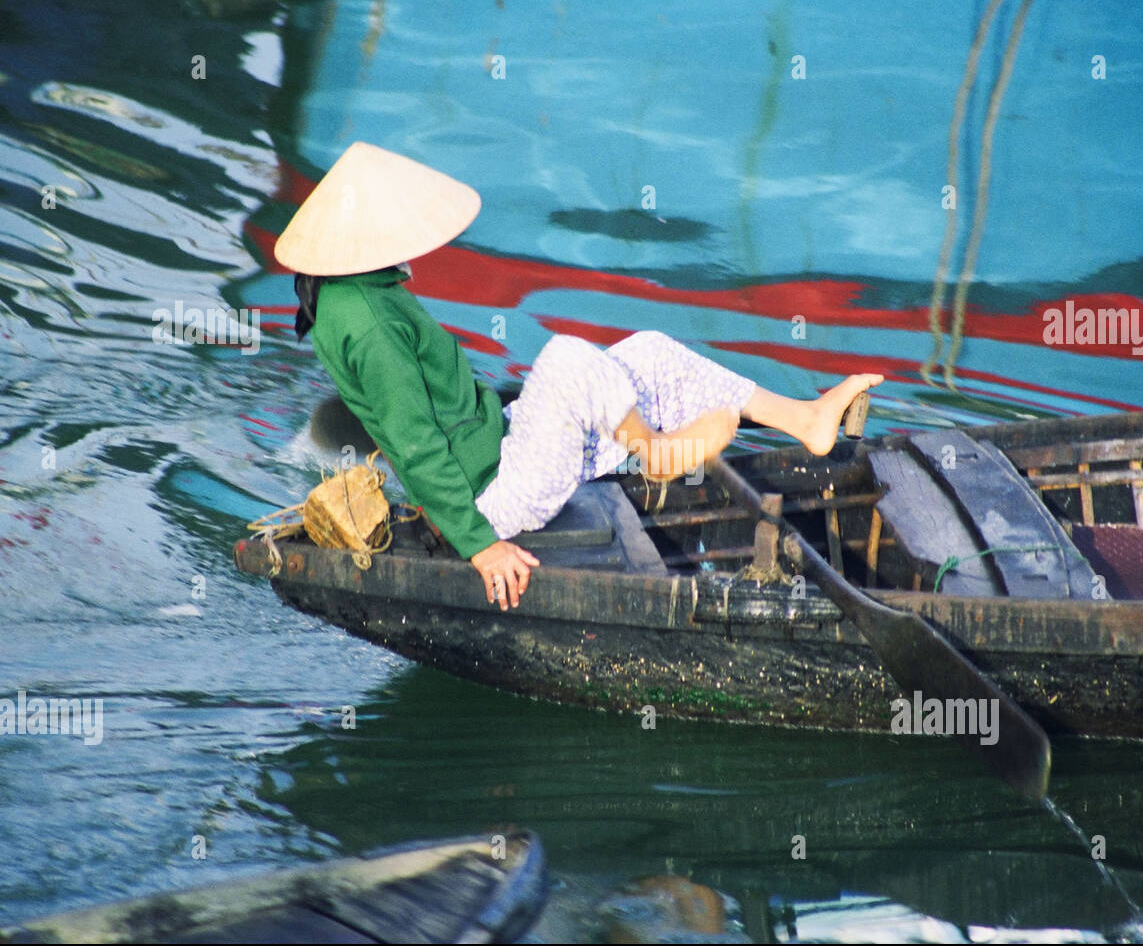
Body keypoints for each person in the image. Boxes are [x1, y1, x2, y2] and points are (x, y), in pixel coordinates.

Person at [275, 143, 884, 612]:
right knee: (567, 360)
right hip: (494, 497)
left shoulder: (347, 292)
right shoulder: (369, 323)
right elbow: (413, 440)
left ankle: (804, 420)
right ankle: (659, 452)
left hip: (502, 447)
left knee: (646, 352)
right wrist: (479, 546)